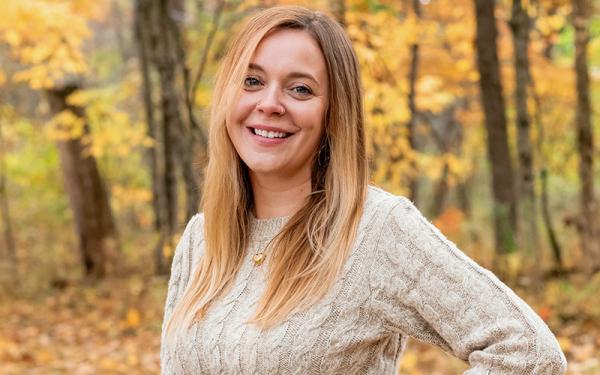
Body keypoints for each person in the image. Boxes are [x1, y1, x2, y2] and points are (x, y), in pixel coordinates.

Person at [160, 5, 566, 374]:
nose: (270, 103)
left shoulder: (375, 230)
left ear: (334, 113)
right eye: (252, 80)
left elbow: (527, 352)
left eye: (300, 89)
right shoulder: (201, 238)